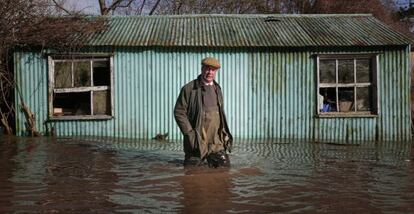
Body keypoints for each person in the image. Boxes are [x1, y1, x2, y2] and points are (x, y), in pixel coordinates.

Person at [174, 57, 233, 167]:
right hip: (197, 141)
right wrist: (190, 134)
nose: (210, 72)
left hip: (216, 142)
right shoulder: (189, 89)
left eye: (213, 70)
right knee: (191, 173)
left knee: (224, 172)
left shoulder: (217, 89)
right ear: (202, 69)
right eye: (207, 69)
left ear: (216, 71)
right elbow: (179, 112)